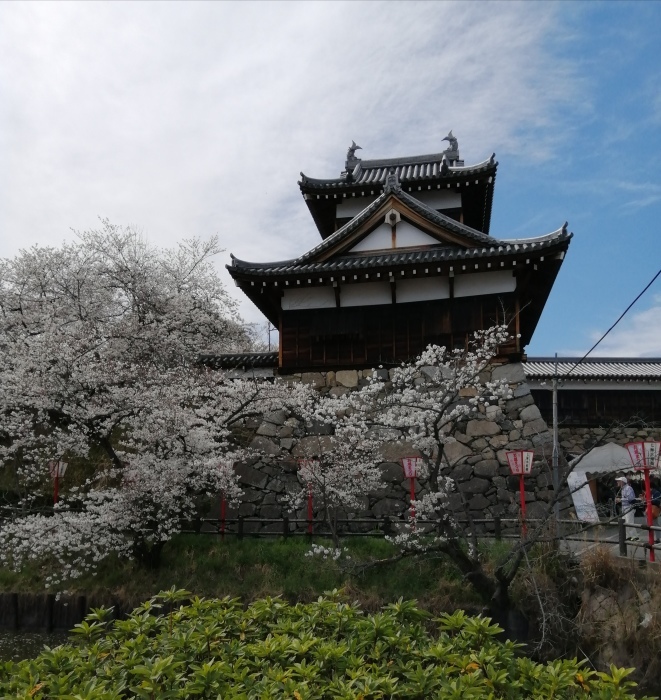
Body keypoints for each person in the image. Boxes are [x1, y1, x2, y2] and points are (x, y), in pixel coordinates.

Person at [615, 475, 638, 541]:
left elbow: (631, 498)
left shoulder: (628, 488)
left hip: (629, 507)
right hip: (625, 507)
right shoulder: (623, 489)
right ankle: (629, 536)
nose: (617, 482)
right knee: (625, 521)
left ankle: (634, 536)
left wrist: (621, 500)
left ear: (622, 482)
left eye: (618, 481)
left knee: (629, 522)